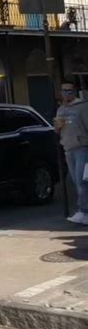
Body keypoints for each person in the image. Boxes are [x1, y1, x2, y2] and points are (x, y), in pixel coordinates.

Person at [54, 81, 88, 225]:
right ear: (60, 93)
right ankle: (83, 212)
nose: (67, 93)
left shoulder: (83, 107)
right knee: (76, 182)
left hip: (82, 147)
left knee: (82, 181)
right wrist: (57, 127)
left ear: (74, 91)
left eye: (70, 90)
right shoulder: (60, 109)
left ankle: (83, 211)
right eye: (64, 91)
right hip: (68, 148)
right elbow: (57, 131)